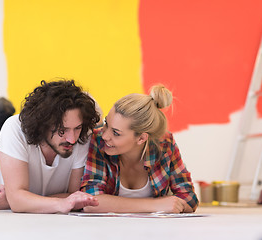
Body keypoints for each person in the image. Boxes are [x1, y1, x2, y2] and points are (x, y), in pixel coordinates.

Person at [0, 79, 101, 213]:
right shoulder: (14, 127)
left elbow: (74, 195)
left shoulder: (83, 136)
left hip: (20, 169)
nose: (72, 139)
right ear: (42, 125)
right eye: (62, 130)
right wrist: (59, 202)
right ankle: (0, 117)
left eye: (77, 128)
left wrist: (20, 199)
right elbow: (17, 202)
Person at [80, 84, 199, 213]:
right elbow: (90, 201)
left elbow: (189, 197)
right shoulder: (97, 140)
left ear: (141, 138)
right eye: (106, 124)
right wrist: (156, 205)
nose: (105, 135)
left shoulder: (165, 143)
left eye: (116, 133)